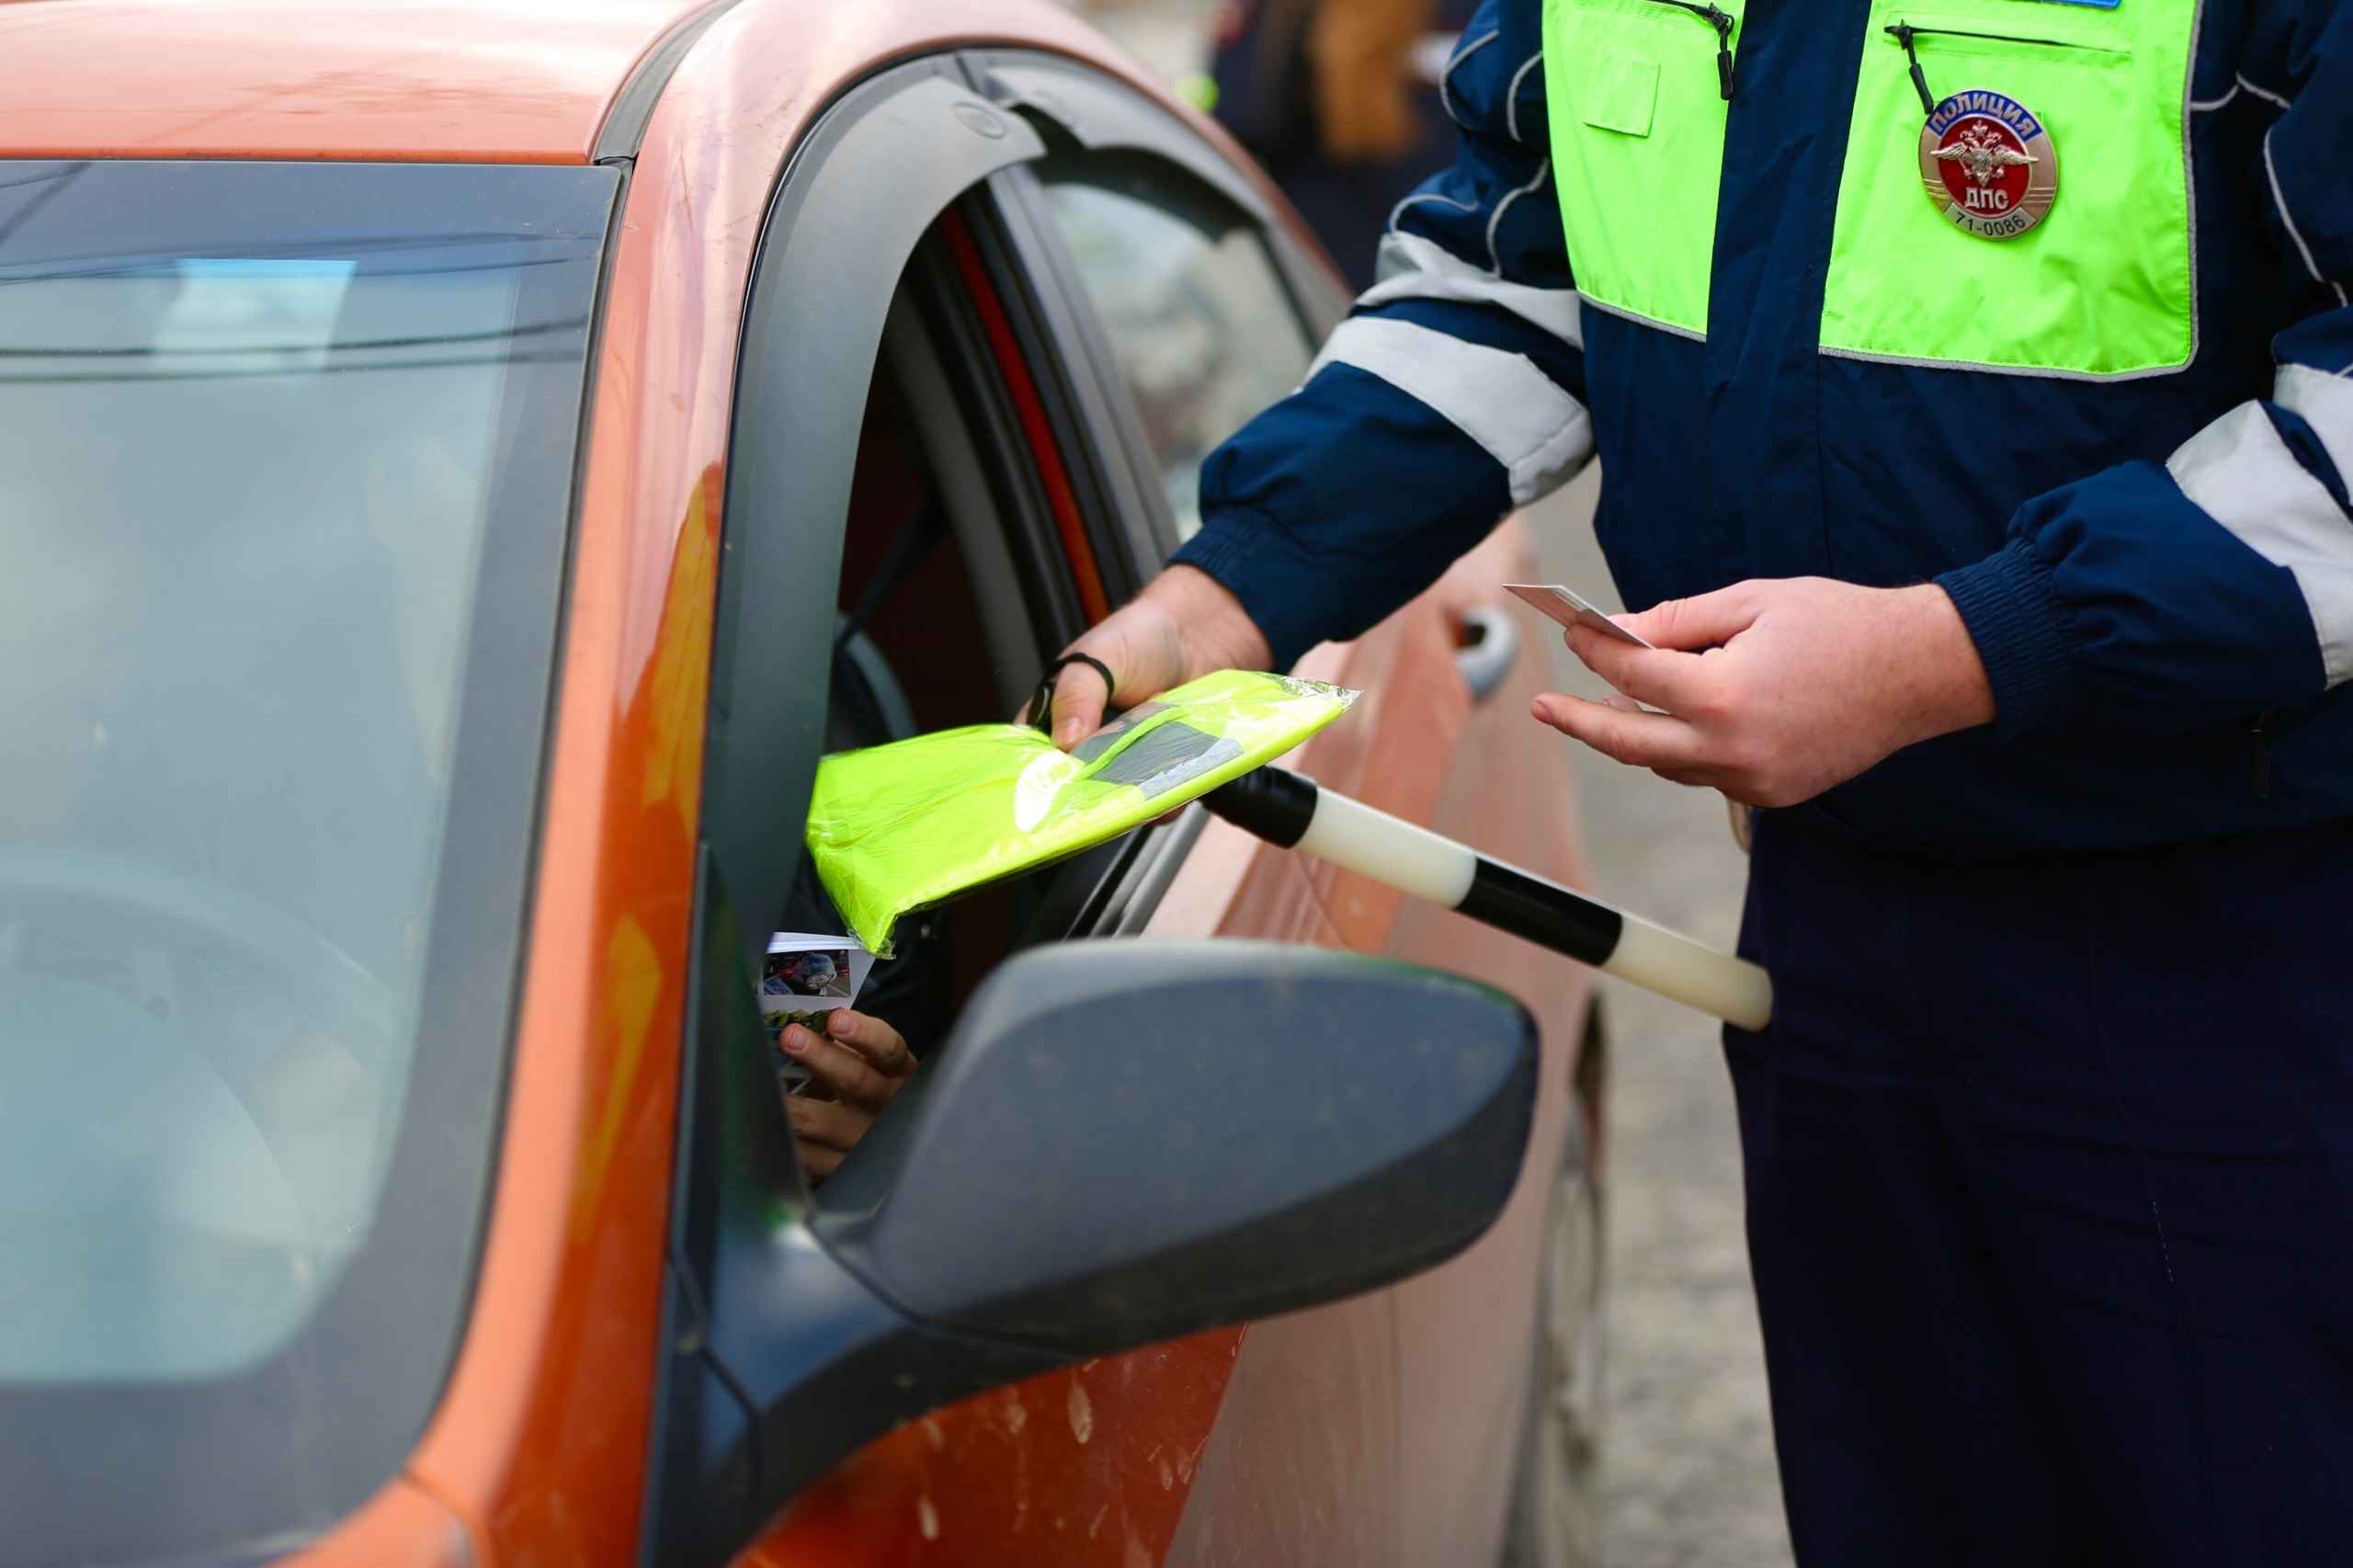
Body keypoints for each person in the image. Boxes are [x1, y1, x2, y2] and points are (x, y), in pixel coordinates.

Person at [1035, 0, 2353, 1562]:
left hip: (2234, 941)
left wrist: (1957, 646)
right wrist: (1232, 585)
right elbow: (1521, 283)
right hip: (1838, 928)